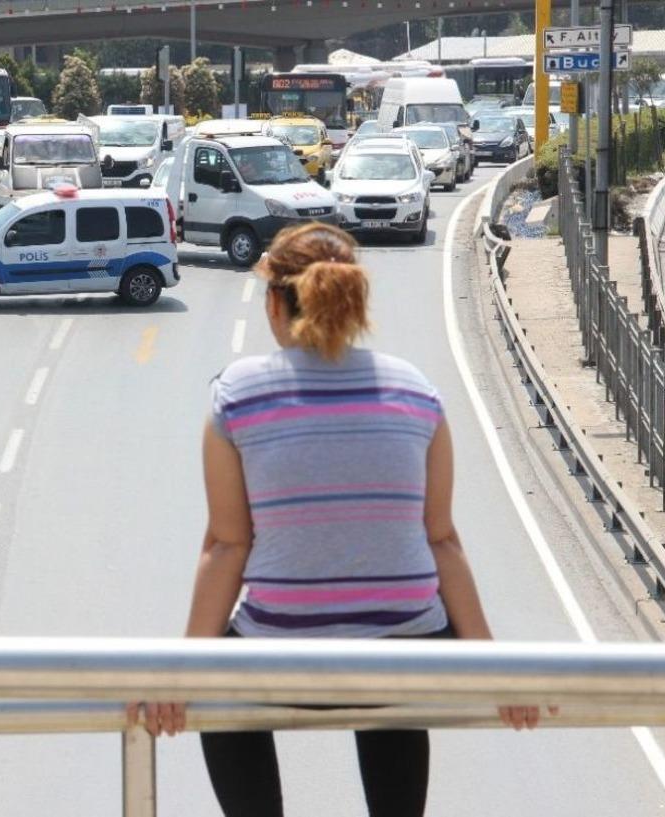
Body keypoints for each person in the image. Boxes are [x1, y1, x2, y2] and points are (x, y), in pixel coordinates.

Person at [128, 222, 551, 817]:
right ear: (354, 301)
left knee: (221, 682)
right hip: (405, 662)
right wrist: (493, 666)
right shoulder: (417, 391)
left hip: (283, 663)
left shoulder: (237, 394)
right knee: (392, 664)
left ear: (275, 302)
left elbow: (227, 545)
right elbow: (443, 540)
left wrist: (186, 673)